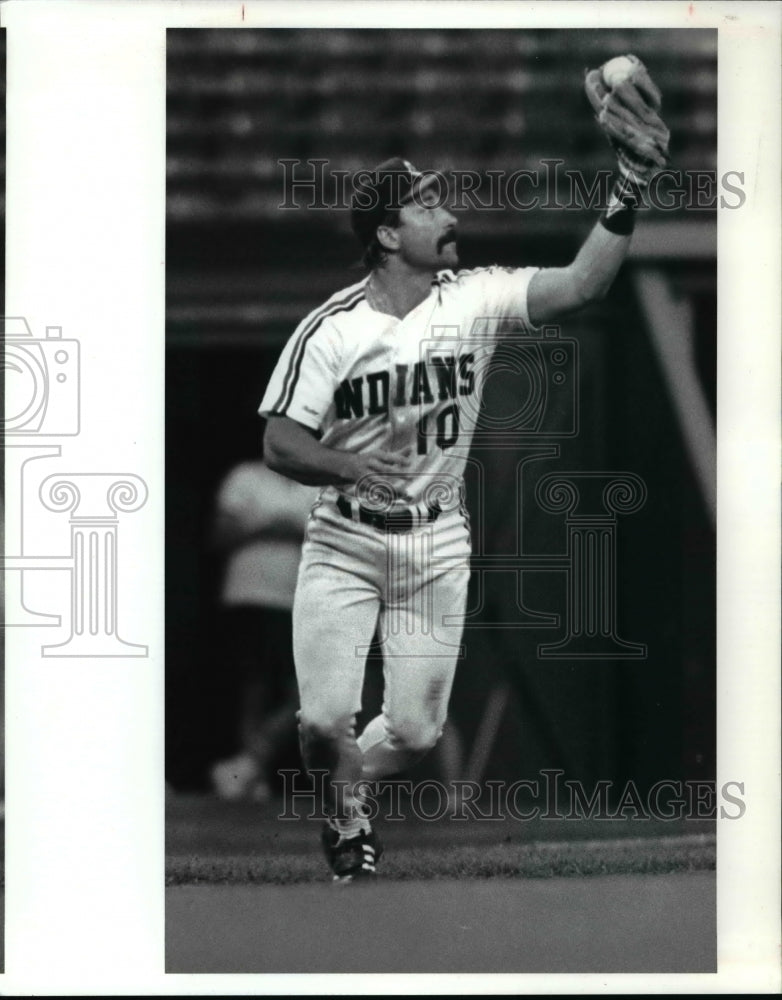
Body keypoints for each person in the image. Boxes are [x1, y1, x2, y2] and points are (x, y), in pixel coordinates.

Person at [259, 63, 669, 881]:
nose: (450, 217)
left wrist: (631, 182)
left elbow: (584, 282)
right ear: (385, 234)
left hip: (437, 539)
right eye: (429, 207)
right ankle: (343, 806)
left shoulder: (472, 297)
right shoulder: (330, 330)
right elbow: (279, 442)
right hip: (344, 536)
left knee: (411, 734)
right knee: (322, 722)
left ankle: (345, 805)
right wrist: (344, 460)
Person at [209, 459, 317, 802]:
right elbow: (218, 535)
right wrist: (268, 527)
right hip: (249, 594)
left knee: (304, 694)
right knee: (254, 687)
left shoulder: (318, 484)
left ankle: (246, 764)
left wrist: (300, 531)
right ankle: (249, 779)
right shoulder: (245, 478)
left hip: (300, 600)